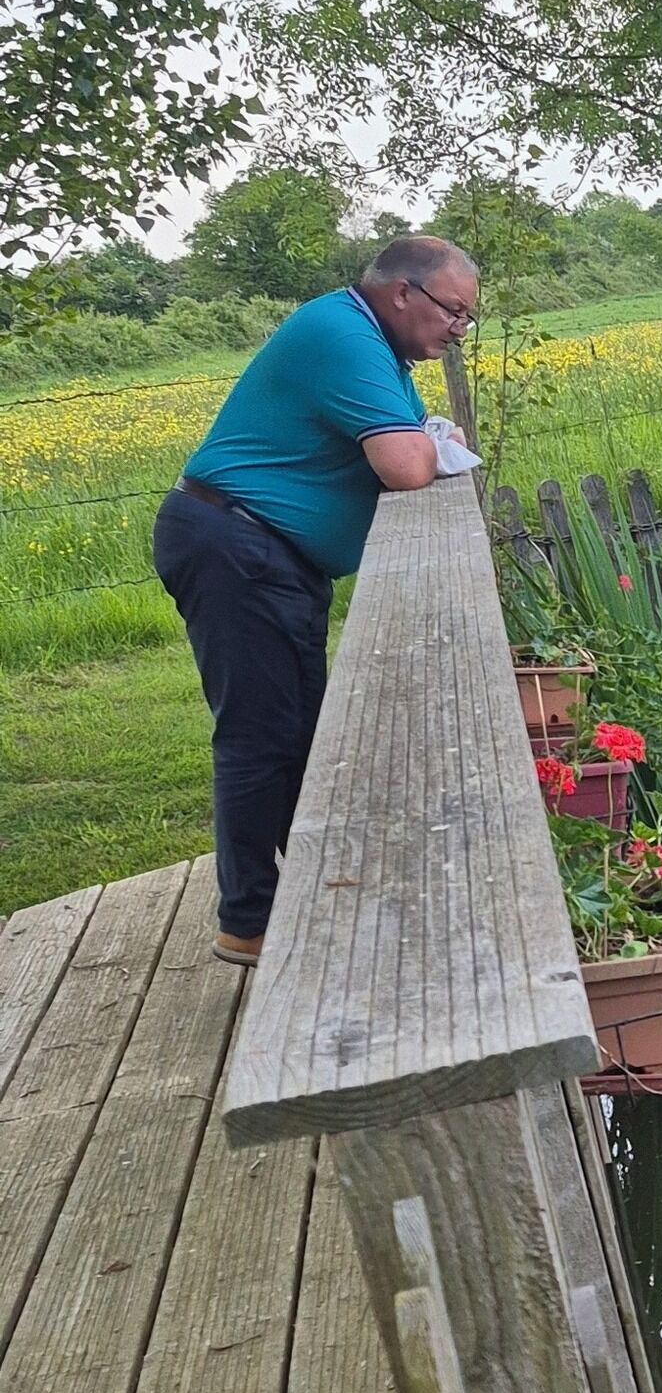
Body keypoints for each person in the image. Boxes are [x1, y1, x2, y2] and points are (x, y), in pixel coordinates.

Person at [152, 231, 480, 964]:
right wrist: (426, 440)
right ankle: (248, 923)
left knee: (302, 732)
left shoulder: (376, 343)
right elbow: (407, 461)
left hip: (269, 552)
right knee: (257, 738)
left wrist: (425, 438)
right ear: (404, 293)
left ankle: (313, 888)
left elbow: (419, 439)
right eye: (454, 312)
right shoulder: (343, 335)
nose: (459, 329)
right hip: (234, 544)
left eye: (466, 317)